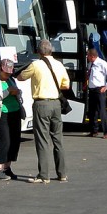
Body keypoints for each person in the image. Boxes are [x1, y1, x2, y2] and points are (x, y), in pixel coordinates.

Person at [16, 39, 70, 183]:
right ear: (51, 50)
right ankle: (62, 173)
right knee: (58, 139)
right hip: (56, 104)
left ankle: (44, 175)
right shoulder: (59, 65)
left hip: (41, 104)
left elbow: (21, 77)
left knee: (42, 139)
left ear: (39, 51)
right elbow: (66, 85)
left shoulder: (36, 65)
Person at [0, 58, 23, 180]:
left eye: (10, 72)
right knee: (4, 141)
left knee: (14, 141)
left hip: (15, 112)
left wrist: (18, 92)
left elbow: (16, 93)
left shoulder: (11, 79)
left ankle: (7, 168)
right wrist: (7, 91)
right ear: (0, 69)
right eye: (6, 72)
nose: (8, 74)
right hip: (1, 113)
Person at [85, 47, 107, 139]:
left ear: (92, 56)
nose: (87, 57)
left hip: (99, 90)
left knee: (102, 111)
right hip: (92, 90)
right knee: (92, 112)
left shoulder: (101, 63)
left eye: (88, 55)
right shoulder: (90, 64)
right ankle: (94, 130)